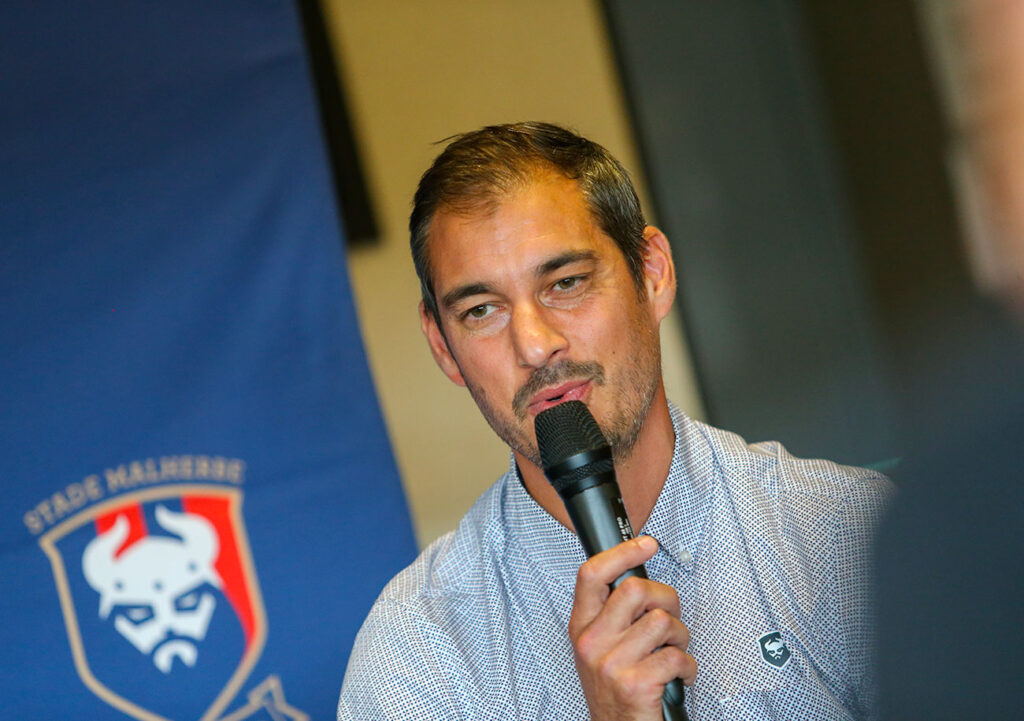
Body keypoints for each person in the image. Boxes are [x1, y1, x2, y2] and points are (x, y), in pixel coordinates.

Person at [338, 122, 892, 720]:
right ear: (443, 346)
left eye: (567, 283)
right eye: (481, 310)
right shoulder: (415, 653)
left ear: (651, 273)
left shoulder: (845, 532)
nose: (534, 344)